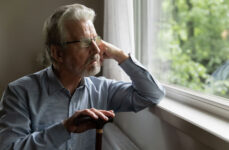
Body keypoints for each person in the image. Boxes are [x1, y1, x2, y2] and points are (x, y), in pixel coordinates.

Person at [0, 3, 165, 150]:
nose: (96, 49)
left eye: (96, 40)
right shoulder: (20, 92)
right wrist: (64, 128)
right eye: (85, 42)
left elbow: (152, 94)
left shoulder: (102, 89)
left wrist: (119, 54)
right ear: (57, 53)